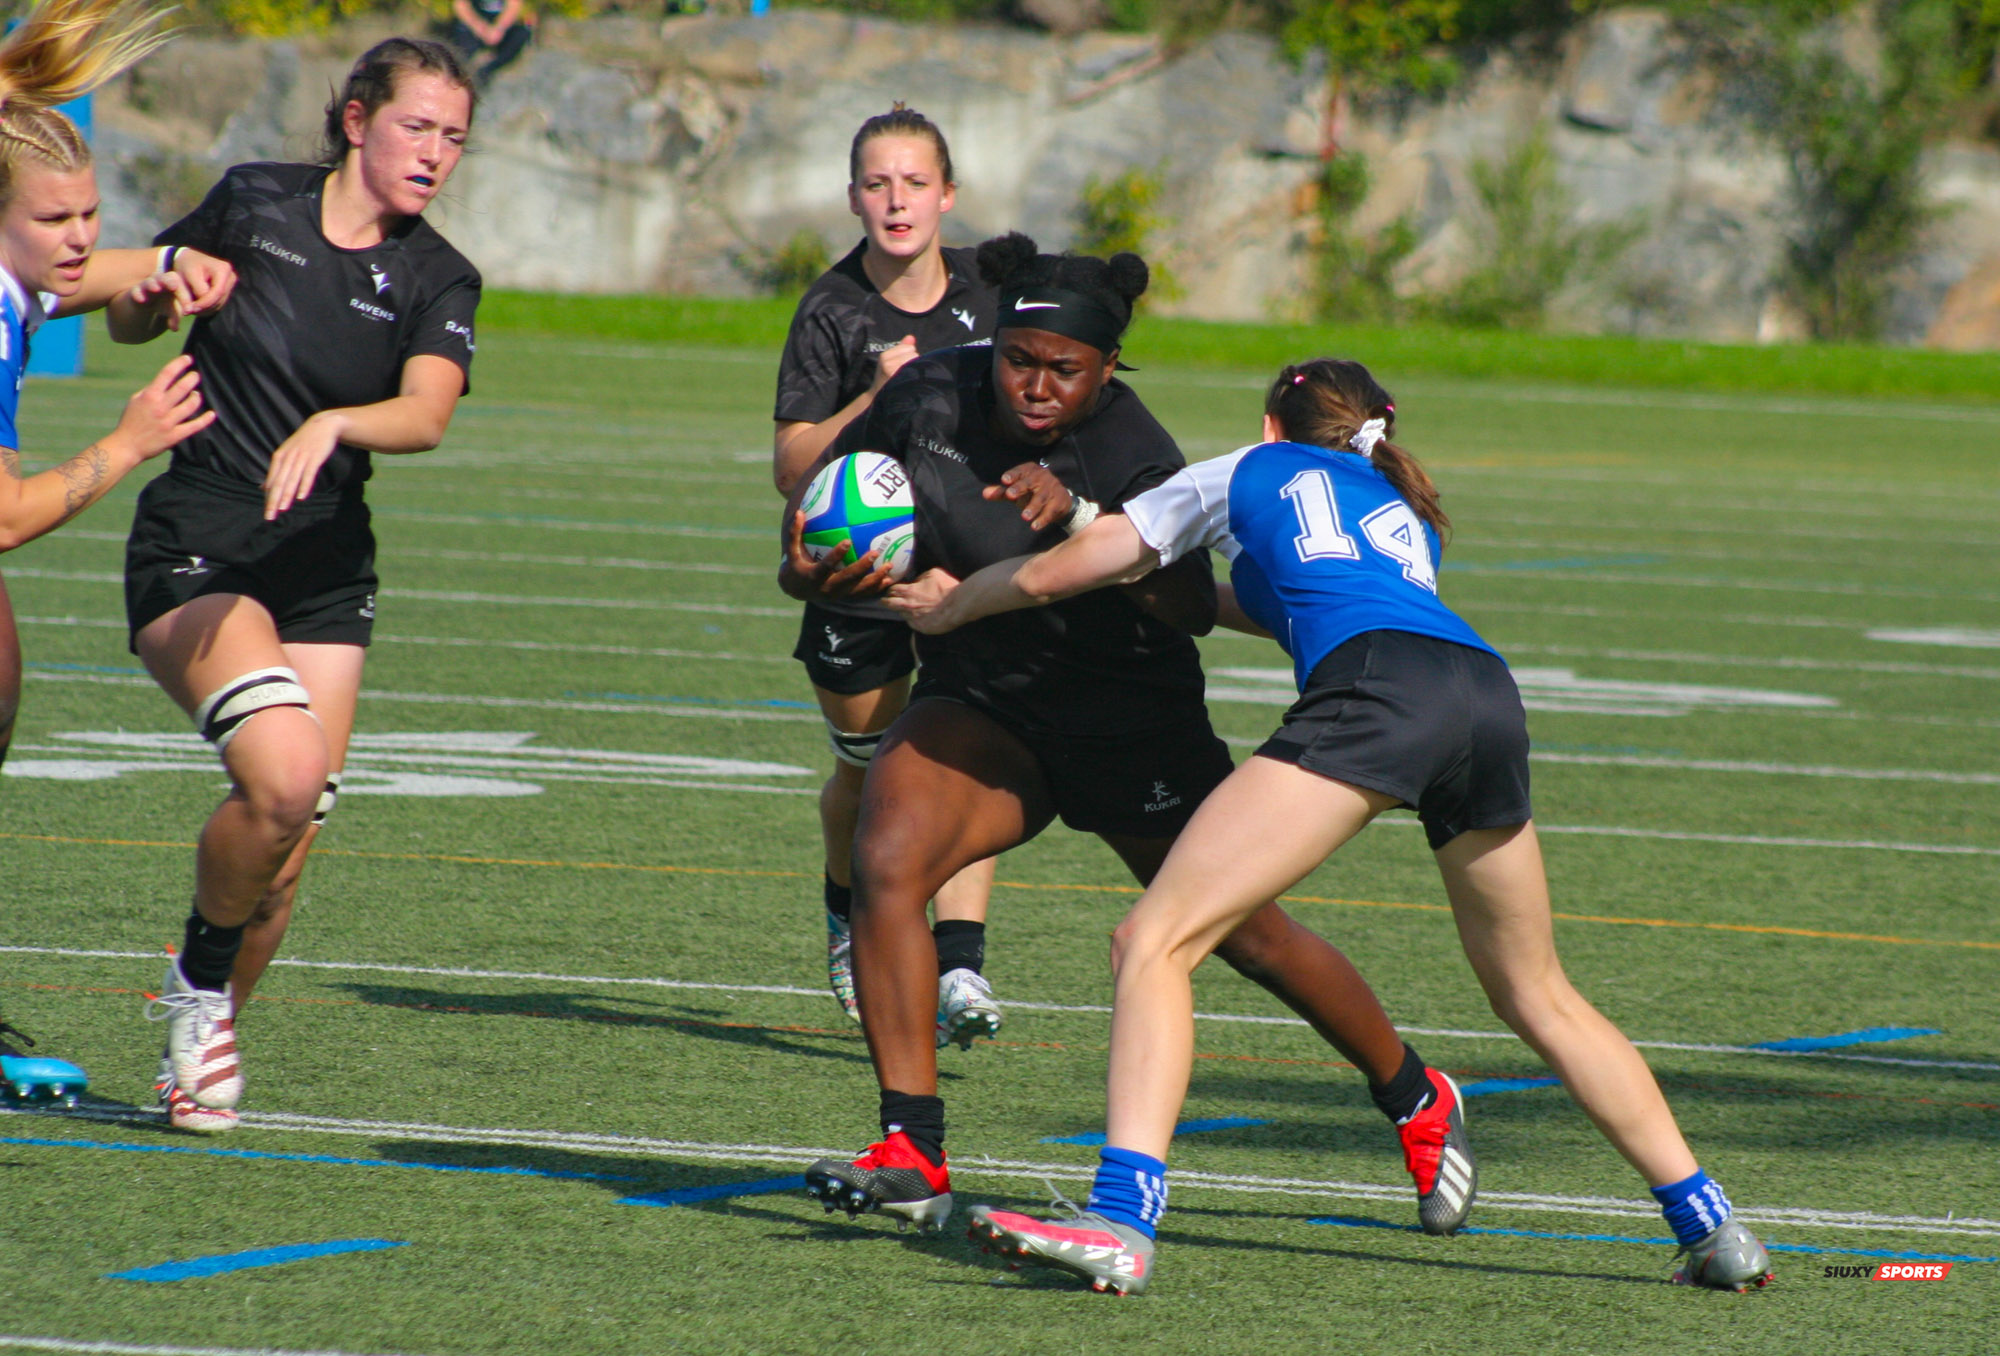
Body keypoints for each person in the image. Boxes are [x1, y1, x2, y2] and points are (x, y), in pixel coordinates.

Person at [892, 357, 1775, 1295]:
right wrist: (1114, 554)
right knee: (1538, 993)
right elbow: (1250, 606)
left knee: (1153, 939)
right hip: (1482, 694)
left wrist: (954, 604)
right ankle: (1712, 1227)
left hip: (1380, 696)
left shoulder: (1247, 470)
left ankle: (1120, 1221)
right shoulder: (1398, 513)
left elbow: (1055, 577)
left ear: (1273, 425)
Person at [782, 239, 1475, 1243]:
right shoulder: (927, 397)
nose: (1032, 383)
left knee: (1252, 936)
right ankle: (911, 1153)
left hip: (1129, 722)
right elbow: (813, 549)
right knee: (886, 860)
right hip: (985, 708)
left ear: (1106, 368)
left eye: (1061, 369)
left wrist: (1078, 521)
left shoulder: (1131, 449)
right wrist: (818, 568)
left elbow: (1190, 601)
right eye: (1016, 356)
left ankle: (1413, 1094)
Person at [118, 37, 483, 1134]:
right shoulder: (252, 202)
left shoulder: (437, 275)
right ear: (359, 120)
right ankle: (197, 987)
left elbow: (424, 413)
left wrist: (333, 421)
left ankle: (201, 1041)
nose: (436, 154)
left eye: (455, 137)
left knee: (291, 841)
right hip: (201, 542)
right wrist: (165, 285)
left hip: (325, 566)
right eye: (418, 127)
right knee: (282, 778)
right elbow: (135, 312)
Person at [771, 105, 1002, 1047]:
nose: (896, 200)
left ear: (947, 194)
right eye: (877, 182)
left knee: (968, 750)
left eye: (914, 182)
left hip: (964, 562)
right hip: (853, 570)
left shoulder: (991, 289)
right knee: (866, 773)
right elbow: (792, 465)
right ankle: (842, 914)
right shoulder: (831, 310)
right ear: (854, 196)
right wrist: (878, 395)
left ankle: (961, 966)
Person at [0, 0, 240, 771]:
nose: (79, 237)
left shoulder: (20, 280)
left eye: (90, 212)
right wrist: (131, 441)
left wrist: (169, 264)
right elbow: (6, 519)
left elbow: (90, 278)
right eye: (52, 219)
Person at [445, 0, 532, 88]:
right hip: (475, 25)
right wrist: (479, 27)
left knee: (522, 33)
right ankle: (465, 70)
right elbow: (460, 5)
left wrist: (499, 28)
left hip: (499, 26)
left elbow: (514, 6)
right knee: (460, 31)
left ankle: (487, 70)